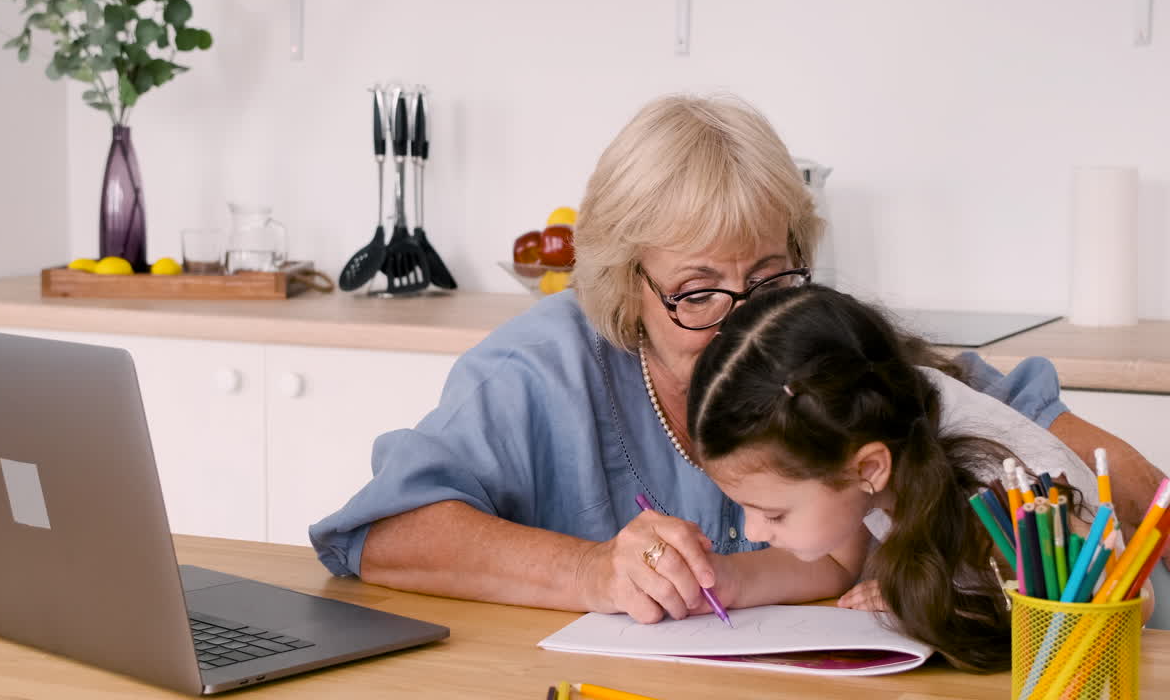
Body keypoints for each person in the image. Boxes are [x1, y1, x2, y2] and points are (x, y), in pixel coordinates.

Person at [310, 93, 1168, 624]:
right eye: (696, 290)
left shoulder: (829, 350)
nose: (744, 321)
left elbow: (1040, 440)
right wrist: (590, 571)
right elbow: (383, 533)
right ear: (622, 283)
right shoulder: (538, 372)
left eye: (769, 276)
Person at [686, 283, 1131, 671]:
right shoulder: (869, 418)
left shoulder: (1000, 488)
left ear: (869, 469)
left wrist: (951, 608)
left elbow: (1114, 604)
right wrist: (926, 594)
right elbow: (866, 562)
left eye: (774, 514)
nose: (752, 531)